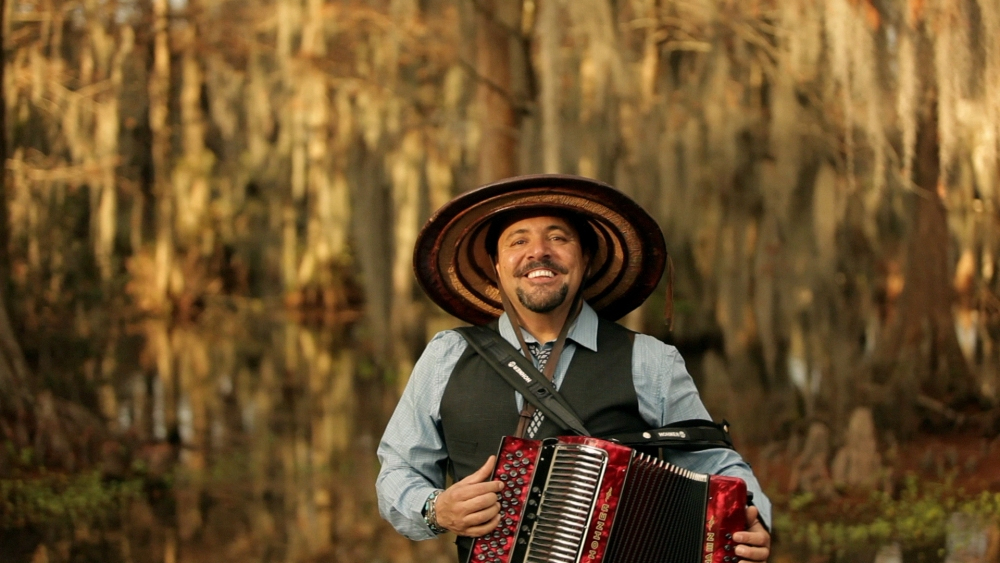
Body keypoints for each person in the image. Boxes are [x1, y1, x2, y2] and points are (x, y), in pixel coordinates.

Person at [376, 174, 772, 562]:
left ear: (585, 259)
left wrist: (757, 522)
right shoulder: (447, 355)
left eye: (558, 237)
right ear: (496, 266)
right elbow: (398, 470)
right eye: (518, 241)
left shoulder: (650, 360)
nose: (539, 252)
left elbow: (717, 464)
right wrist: (435, 509)